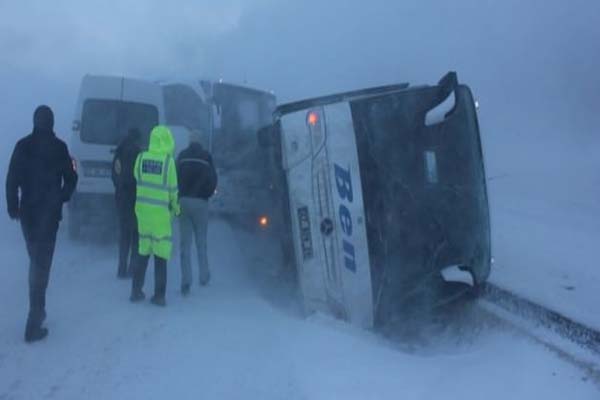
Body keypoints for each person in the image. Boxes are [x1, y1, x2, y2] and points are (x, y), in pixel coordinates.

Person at [6, 105, 78, 343]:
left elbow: (11, 179)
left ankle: (38, 312)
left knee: (36, 262)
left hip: (28, 215)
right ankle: (33, 324)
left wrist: (12, 207)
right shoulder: (60, 148)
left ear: (35, 121)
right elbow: (72, 177)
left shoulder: (22, 145)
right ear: (52, 122)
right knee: (40, 266)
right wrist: (62, 197)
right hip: (49, 215)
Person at [130, 125, 179, 306]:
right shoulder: (168, 163)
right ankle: (159, 296)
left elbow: (137, 177)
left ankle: (136, 291)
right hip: (160, 218)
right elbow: (173, 191)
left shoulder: (141, 158)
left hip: (143, 214)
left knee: (142, 252)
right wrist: (176, 209)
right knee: (160, 256)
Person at [177, 130, 217, 295]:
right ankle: (204, 276)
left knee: (185, 244)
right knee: (201, 242)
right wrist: (205, 195)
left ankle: (186, 281)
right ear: (200, 142)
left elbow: (174, 177)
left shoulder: (181, 156)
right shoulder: (206, 157)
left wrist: (178, 195)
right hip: (200, 203)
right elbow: (213, 180)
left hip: (183, 202)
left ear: (189, 141)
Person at [112, 128, 142, 279]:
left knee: (124, 234)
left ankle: (121, 269)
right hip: (136, 198)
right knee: (136, 234)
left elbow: (115, 174)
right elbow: (141, 177)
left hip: (122, 197)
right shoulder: (139, 153)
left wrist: (120, 187)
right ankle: (133, 268)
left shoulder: (119, 151)